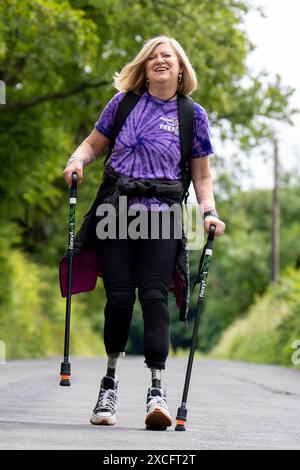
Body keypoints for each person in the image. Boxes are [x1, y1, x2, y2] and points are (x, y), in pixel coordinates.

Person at [62, 35, 226, 430]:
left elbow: (202, 176)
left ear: (181, 66)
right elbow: (93, 144)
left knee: (155, 296)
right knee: (119, 298)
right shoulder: (123, 104)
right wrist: (76, 160)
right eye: (152, 56)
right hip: (115, 209)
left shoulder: (192, 115)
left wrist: (210, 212)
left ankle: (157, 391)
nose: (159, 60)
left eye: (166, 55)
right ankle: (109, 384)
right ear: (144, 66)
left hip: (164, 213)